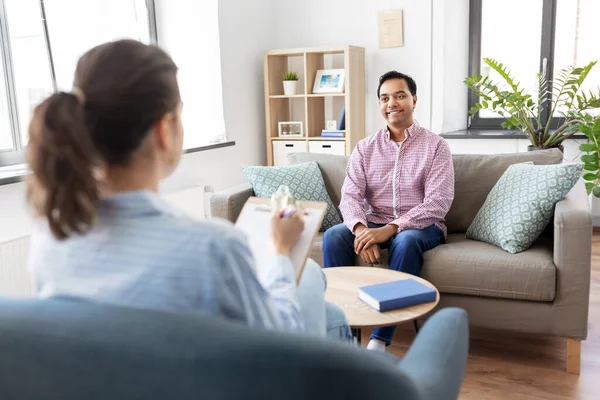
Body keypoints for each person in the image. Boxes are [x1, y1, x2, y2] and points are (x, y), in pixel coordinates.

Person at [25, 39, 352, 342]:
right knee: (309, 277)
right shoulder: (214, 247)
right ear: (164, 130)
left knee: (330, 312)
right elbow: (280, 346)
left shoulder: (50, 236)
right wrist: (281, 251)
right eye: (180, 114)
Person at [322, 71, 454, 351]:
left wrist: (388, 230)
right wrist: (361, 231)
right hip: (374, 220)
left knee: (405, 241)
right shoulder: (365, 148)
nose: (391, 103)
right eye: (385, 98)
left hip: (421, 226)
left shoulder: (436, 147)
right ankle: (340, 335)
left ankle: (380, 340)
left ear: (414, 100)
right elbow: (350, 195)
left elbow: (438, 203)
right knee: (334, 236)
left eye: (399, 95)